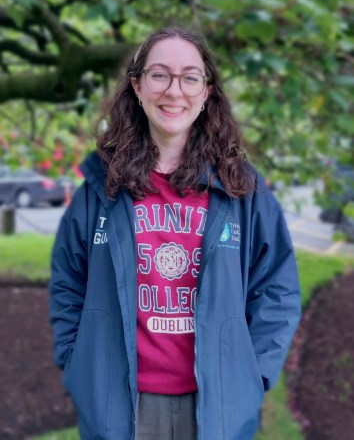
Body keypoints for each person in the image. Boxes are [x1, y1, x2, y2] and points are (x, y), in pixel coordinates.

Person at [49, 26, 301, 440]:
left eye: (189, 77)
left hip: (214, 406)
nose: (174, 90)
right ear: (138, 85)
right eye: (159, 74)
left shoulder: (241, 187)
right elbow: (68, 282)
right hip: (119, 404)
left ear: (206, 92)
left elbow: (278, 287)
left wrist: (251, 374)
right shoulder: (101, 186)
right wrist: (79, 364)